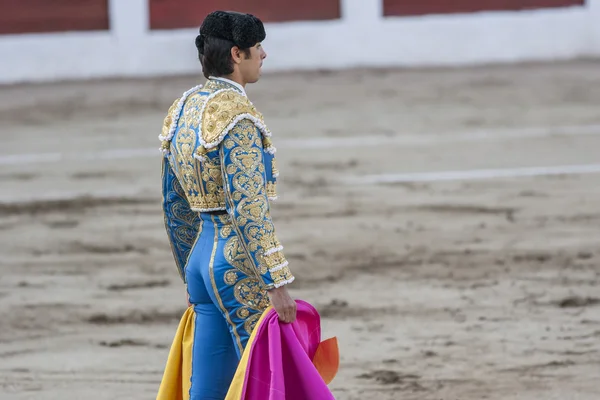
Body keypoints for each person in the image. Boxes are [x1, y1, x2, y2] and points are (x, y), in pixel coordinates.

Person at [158, 10, 296, 399]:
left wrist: (190, 271)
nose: (264, 55)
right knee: (267, 383)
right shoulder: (238, 117)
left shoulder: (182, 109)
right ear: (237, 54)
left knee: (207, 389)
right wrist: (276, 282)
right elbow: (247, 207)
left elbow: (174, 203)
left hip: (202, 260)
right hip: (236, 263)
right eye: (257, 48)